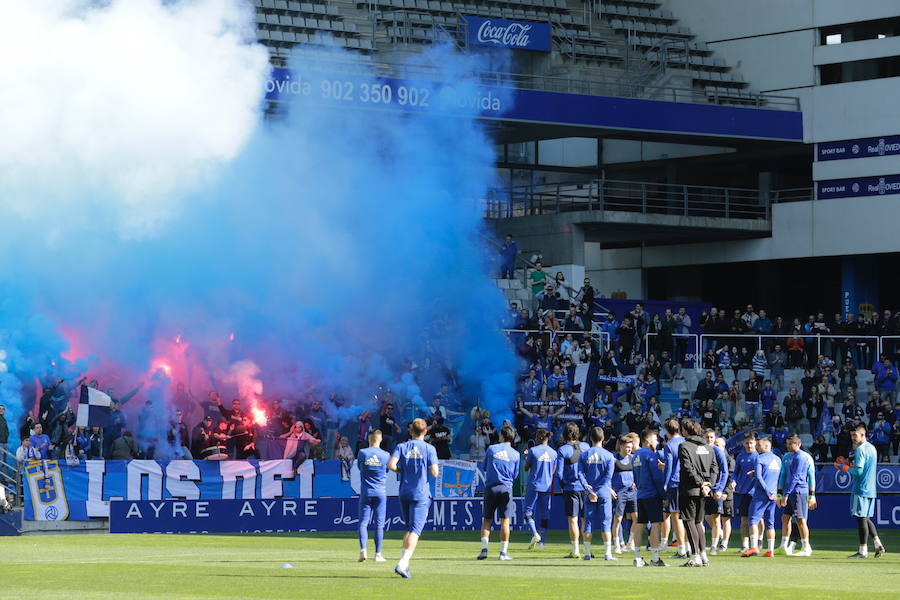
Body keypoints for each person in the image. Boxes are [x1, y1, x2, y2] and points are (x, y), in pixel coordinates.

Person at [388, 418, 439, 578]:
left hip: (404, 492)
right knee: (415, 531)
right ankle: (402, 564)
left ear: (411, 431)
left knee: (410, 529)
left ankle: (405, 564)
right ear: (425, 431)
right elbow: (435, 472)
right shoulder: (429, 448)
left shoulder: (401, 446)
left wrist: (402, 471)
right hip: (420, 493)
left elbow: (391, 465)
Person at [838, 423, 886, 558]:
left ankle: (862, 551)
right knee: (865, 518)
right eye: (851, 435)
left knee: (860, 519)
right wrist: (850, 465)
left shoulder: (860, 449)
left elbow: (858, 472)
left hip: (860, 489)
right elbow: (863, 468)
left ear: (862, 434)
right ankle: (878, 544)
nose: (853, 438)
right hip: (871, 489)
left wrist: (844, 468)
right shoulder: (872, 448)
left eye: (855, 435)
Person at [678, 420, 718, 567]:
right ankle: (703, 555)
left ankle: (695, 556)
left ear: (686, 431)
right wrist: (708, 484)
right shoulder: (708, 447)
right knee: (698, 522)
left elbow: (688, 468)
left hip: (690, 489)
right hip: (703, 491)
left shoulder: (684, 446)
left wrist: (701, 483)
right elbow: (715, 468)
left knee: (689, 522)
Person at [478, 425, 520, 561]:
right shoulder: (516, 454)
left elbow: (484, 468)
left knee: (487, 520)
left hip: (491, 487)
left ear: (501, 436)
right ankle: (503, 553)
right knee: (505, 521)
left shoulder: (491, 449)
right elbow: (515, 475)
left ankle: (484, 550)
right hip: (505, 489)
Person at [579, 426, 617, 562]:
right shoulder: (609, 456)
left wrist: (589, 490)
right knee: (606, 522)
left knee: (588, 522)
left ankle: (587, 553)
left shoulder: (584, 455)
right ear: (603, 439)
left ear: (590, 438)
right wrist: (598, 489)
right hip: (603, 492)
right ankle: (607, 554)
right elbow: (608, 476)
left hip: (589, 493)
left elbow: (580, 474)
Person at [631, 428, 667, 567]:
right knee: (656, 524)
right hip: (652, 494)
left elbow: (635, 477)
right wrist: (663, 495)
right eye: (655, 438)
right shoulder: (650, 455)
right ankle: (655, 558)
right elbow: (657, 477)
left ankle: (638, 557)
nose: (657, 441)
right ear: (648, 440)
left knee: (640, 525)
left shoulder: (636, 456)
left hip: (640, 495)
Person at [777, 433, 816, 557]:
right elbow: (783, 475)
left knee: (800, 520)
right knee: (785, 518)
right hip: (791, 492)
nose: (788, 446)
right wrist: (780, 492)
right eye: (787, 444)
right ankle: (783, 546)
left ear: (798, 444)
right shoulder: (788, 456)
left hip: (799, 491)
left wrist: (785, 494)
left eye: (791, 444)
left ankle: (806, 547)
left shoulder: (801, 457)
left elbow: (796, 477)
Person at [743, 435, 781, 558]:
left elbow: (760, 477)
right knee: (770, 522)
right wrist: (773, 493)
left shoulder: (759, 459)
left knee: (753, 520)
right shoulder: (777, 460)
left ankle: (753, 547)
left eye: (759, 445)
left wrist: (766, 491)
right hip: (773, 495)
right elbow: (773, 476)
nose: (757, 447)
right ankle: (770, 550)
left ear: (766, 446)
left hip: (761, 494)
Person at [556, 421, 589, 559]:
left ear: (564, 435)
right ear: (578, 433)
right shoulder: (586, 447)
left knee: (573, 519)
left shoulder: (563, 450)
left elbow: (558, 473)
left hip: (571, 487)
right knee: (586, 519)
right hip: (586, 488)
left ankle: (575, 550)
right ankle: (587, 550)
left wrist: (563, 486)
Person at [357, 430, 390, 563]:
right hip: (380, 492)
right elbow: (386, 470)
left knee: (363, 523)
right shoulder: (386, 455)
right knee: (379, 525)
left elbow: (360, 468)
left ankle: (363, 551)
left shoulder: (363, 453)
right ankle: (378, 554)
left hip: (366, 492)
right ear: (380, 439)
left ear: (369, 439)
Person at [522, 428, 557, 550]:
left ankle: (535, 534)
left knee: (527, 512)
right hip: (546, 486)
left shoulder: (533, 451)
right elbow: (553, 470)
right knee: (544, 514)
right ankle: (542, 542)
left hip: (534, 485)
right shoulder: (553, 453)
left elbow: (526, 468)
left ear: (539, 438)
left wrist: (527, 457)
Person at [660, 418, 688, 558]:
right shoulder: (686, 441)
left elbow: (669, 467)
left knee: (676, 517)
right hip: (688, 482)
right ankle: (689, 547)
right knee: (688, 517)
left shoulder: (669, 445)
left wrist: (665, 484)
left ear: (667, 431)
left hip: (675, 483)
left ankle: (682, 549)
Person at [704, 430, 731, 554]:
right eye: (707, 437)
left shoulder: (718, 451)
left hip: (715, 490)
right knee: (704, 517)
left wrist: (719, 489)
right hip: (704, 490)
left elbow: (724, 472)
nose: (709, 439)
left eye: (711, 437)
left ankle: (714, 546)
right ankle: (717, 534)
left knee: (716, 518)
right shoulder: (701, 450)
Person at [611, 434, 638, 554]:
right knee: (618, 519)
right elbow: (607, 476)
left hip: (632, 492)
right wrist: (610, 489)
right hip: (619, 493)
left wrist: (636, 482)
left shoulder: (633, 458)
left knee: (636, 518)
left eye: (630, 447)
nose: (629, 449)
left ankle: (630, 542)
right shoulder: (613, 459)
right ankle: (617, 544)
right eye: (627, 447)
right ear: (621, 446)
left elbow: (638, 473)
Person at [734, 432, 758, 554]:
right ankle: (745, 545)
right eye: (747, 443)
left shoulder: (758, 457)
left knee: (759, 519)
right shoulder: (740, 457)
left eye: (751, 442)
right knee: (744, 519)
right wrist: (733, 481)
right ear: (743, 443)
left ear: (755, 443)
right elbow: (735, 472)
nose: (749, 445)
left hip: (756, 493)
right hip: (743, 492)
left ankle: (758, 542)